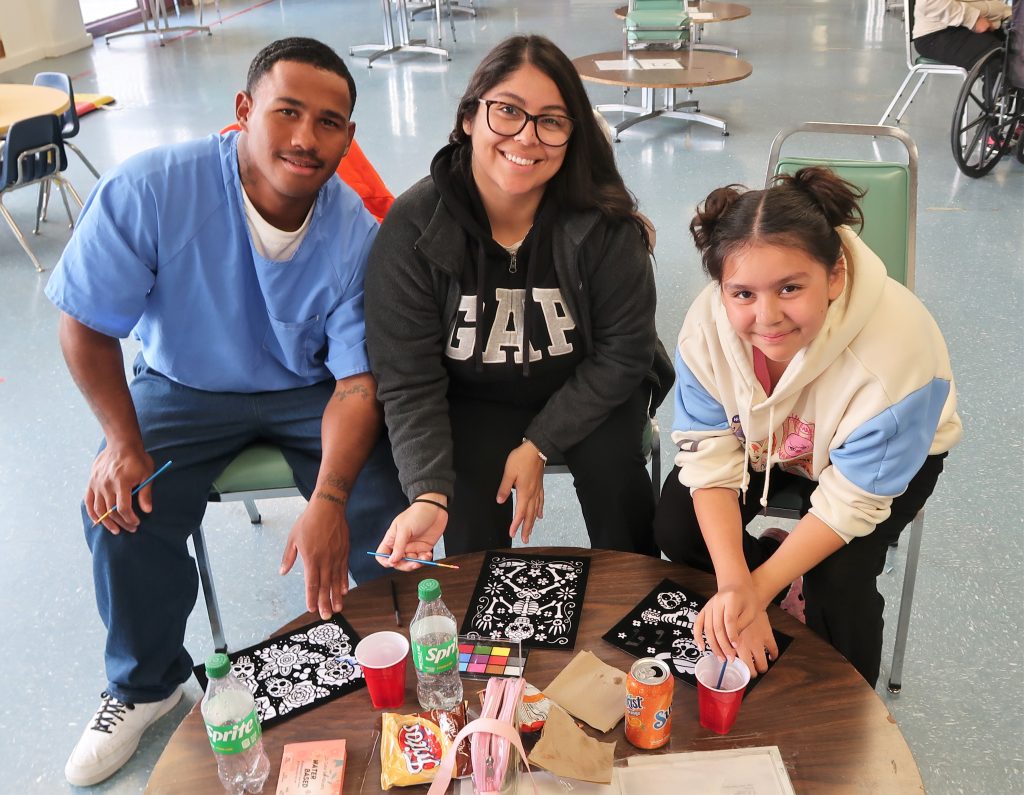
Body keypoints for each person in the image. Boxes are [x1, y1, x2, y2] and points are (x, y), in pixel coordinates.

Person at [46, 38, 407, 786]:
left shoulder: (353, 231)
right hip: (184, 383)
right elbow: (84, 322)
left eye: (331, 122)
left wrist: (331, 498)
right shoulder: (155, 188)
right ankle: (145, 684)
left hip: (310, 389)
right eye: (287, 112)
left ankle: (383, 659)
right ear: (244, 111)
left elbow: (355, 385)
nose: (307, 138)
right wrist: (119, 441)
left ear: (349, 136)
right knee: (118, 506)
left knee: (389, 503)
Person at [364, 35, 673, 570]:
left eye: (551, 120)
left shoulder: (605, 225)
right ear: (469, 117)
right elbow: (408, 378)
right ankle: (492, 643)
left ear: (572, 136)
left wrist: (539, 444)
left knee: (615, 476)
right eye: (507, 111)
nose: (526, 137)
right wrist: (427, 493)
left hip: (590, 385)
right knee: (468, 507)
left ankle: (636, 616)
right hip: (475, 393)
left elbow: (625, 354)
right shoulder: (416, 227)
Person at [652, 167, 962, 688]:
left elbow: (853, 500)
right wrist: (737, 588)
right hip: (769, 445)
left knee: (838, 580)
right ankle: (777, 582)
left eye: (790, 287)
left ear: (835, 274)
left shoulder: (897, 359)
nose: (767, 317)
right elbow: (708, 453)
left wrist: (758, 586)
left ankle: (850, 712)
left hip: (880, 460)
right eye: (742, 294)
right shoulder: (706, 331)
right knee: (677, 527)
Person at [913, 0, 1011, 70]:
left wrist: (1008, 14)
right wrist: (972, 18)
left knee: (1018, 48)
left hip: (979, 23)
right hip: (938, 32)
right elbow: (929, 3)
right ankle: (995, 94)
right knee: (1002, 58)